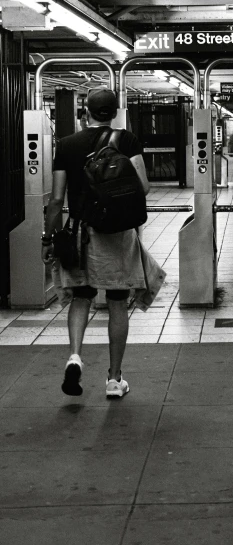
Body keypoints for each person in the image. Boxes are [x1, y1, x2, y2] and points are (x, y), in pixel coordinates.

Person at [41, 87, 161, 399]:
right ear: (116, 111)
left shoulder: (66, 145)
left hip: (82, 232)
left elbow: (56, 200)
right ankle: (114, 378)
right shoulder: (127, 140)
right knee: (118, 302)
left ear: (86, 111)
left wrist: (48, 238)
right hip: (118, 234)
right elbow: (143, 187)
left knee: (81, 297)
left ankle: (75, 358)